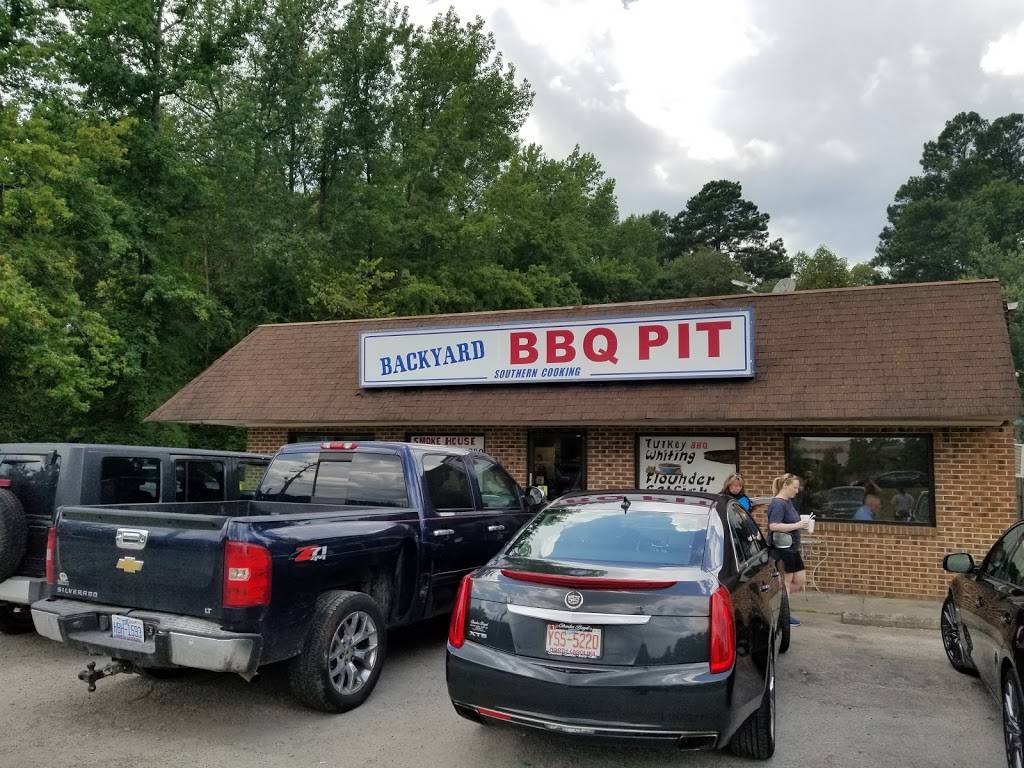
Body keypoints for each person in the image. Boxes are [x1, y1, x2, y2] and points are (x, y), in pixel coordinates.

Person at [767, 473, 811, 626]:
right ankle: (783, 616)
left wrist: (803, 523)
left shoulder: (788, 502)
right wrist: (797, 525)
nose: (797, 491)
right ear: (785, 485)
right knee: (786, 582)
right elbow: (773, 526)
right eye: (795, 487)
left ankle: (775, 602)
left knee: (800, 580)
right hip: (782, 548)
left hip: (792, 548)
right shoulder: (778, 503)